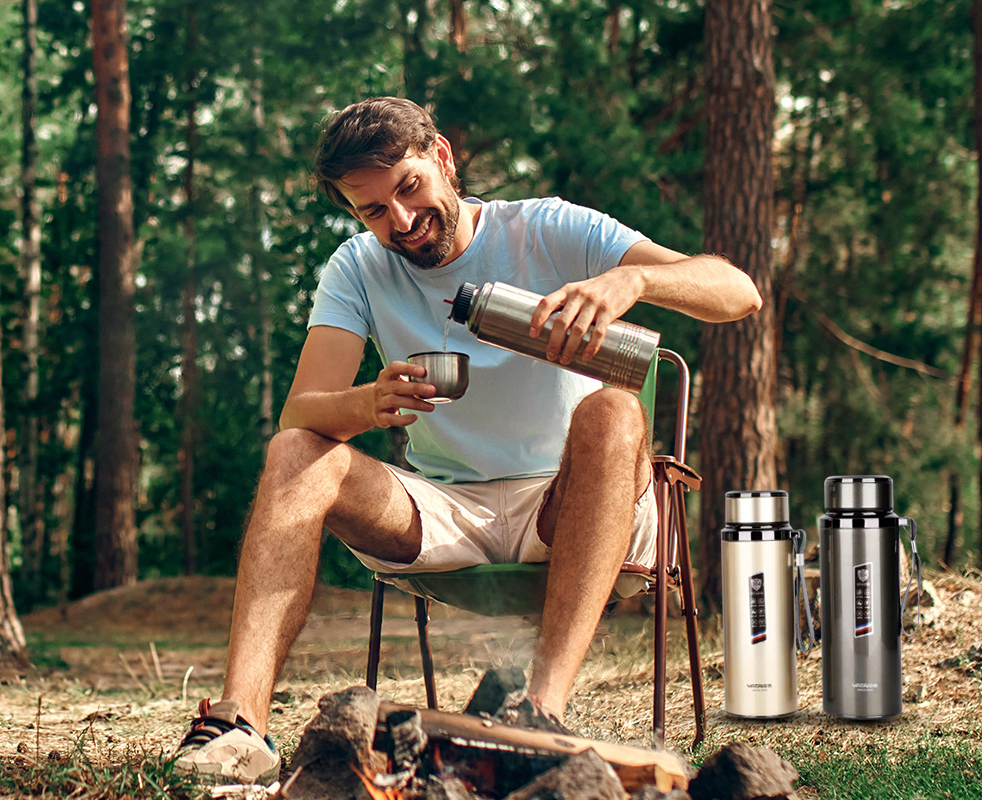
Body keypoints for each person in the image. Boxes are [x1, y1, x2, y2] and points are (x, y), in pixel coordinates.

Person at [169, 97, 762, 784]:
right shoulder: (358, 268)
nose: (401, 220)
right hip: (441, 510)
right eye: (372, 210)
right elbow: (301, 411)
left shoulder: (548, 227)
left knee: (615, 411)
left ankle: (538, 716)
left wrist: (631, 277)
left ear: (442, 157)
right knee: (293, 451)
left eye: (409, 188)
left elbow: (738, 291)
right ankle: (240, 727)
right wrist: (369, 401)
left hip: (565, 503)